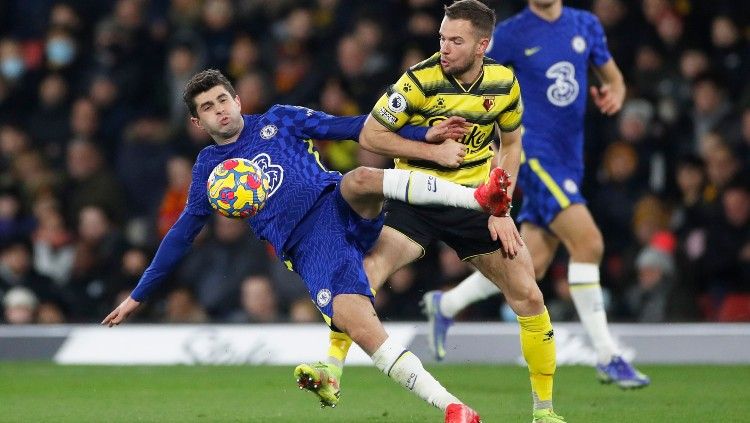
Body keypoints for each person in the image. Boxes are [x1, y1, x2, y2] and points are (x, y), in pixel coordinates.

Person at [101, 69, 515, 422]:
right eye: (207, 107)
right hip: (308, 246)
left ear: (238, 99)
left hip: (337, 201)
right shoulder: (209, 169)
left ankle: (478, 198)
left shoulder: (281, 119)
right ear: (196, 122)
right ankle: (454, 408)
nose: (219, 109)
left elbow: (352, 127)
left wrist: (425, 134)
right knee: (363, 325)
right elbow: (181, 234)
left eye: (222, 99)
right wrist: (140, 294)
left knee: (361, 177)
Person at [299, 2, 564, 422]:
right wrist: (430, 150)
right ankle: (331, 369)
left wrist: (501, 208)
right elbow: (371, 133)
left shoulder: (503, 83)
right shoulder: (419, 80)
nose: (444, 48)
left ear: (483, 45)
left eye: (455, 41)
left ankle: (544, 411)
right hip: (415, 198)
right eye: (442, 38)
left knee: (529, 295)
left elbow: (511, 145)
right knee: (364, 276)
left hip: (475, 203)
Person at [424, 0, 650, 389]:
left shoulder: (586, 25)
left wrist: (615, 92)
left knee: (531, 266)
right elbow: (468, 75)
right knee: (589, 243)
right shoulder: (510, 34)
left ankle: (445, 305)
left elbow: (613, 77)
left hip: (571, 160)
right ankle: (608, 356)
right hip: (533, 153)